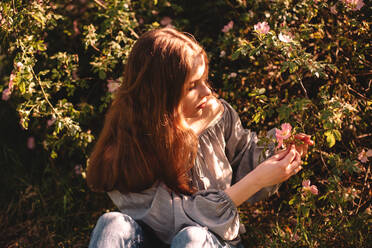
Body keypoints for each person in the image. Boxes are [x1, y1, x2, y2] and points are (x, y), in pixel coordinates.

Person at [86, 28, 313, 248]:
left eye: (204, 79)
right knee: (112, 224)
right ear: (160, 94)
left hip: (209, 242)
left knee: (191, 239)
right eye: (192, 86)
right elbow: (177, 218)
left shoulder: (216, 115)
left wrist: (278, 149)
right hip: (150, 240)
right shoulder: (129, 142)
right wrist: (255, 180)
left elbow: (244, 155)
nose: (207, 92)